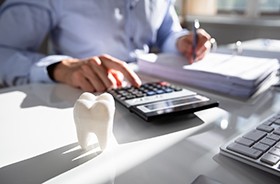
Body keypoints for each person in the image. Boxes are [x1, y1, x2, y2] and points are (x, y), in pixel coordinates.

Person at [0, 0, 211, 92]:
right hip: (77, 98)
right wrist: (59, 67)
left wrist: (181, 42)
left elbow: (166, 33)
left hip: (150, 90)